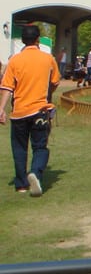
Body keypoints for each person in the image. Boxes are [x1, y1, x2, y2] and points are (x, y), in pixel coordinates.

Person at [0, 24, 60, 196]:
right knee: (40, 147)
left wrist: (1, 109)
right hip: (40, 110)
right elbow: (55, 82)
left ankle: (21, 184)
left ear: (23, 40)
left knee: (19, 148)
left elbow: (7, 87)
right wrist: (48, 94)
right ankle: (35, 173)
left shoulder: (15, 60)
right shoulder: (48, 59)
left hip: (19, 111)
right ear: (38, 39)